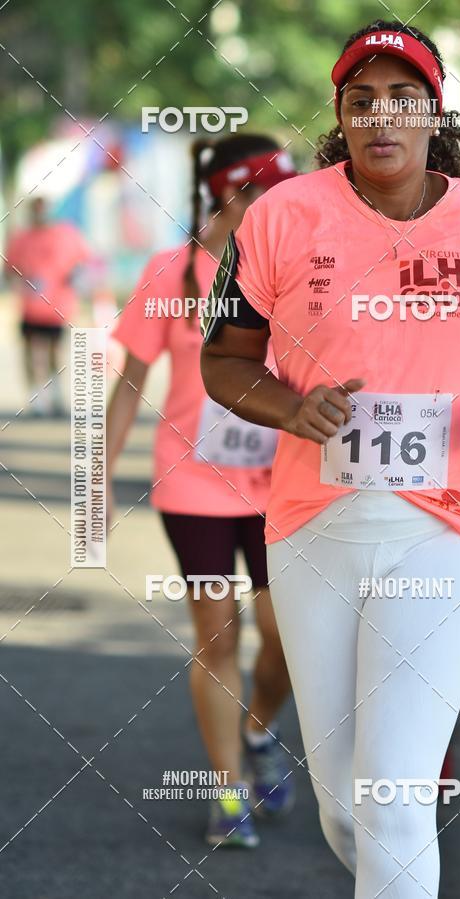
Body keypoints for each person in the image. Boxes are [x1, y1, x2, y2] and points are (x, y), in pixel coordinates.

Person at [200, 19, 460, 898]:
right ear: (341, 115)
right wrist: (294, 405)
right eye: (363, 101)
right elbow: (224, 360)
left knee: (395, 799)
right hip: (314, 529)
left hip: (450, 528)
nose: (382, 116)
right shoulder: (281, 217)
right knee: (347, 809)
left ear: (435, 113)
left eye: (404, 98)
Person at [107, 134, 298, 847]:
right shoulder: (173, 272)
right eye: (267, 191)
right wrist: (96, 475)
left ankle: (259, 729)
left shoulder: (299, 269)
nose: (285, 203)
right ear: (228, 194)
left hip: (281, 481)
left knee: (285, 635)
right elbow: (129, 381)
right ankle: (227, 792)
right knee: (218, 635)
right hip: (192, 482)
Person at [5, 196, 90, 415]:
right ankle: (36, 395)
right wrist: (21, 281)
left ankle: (54, 394)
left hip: (57, 308)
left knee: (53, 352)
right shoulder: (21, 239)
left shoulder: (65, 234)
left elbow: (84, 261)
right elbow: (9, 269)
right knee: (29, 351)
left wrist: (76, 276)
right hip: (30, 308)